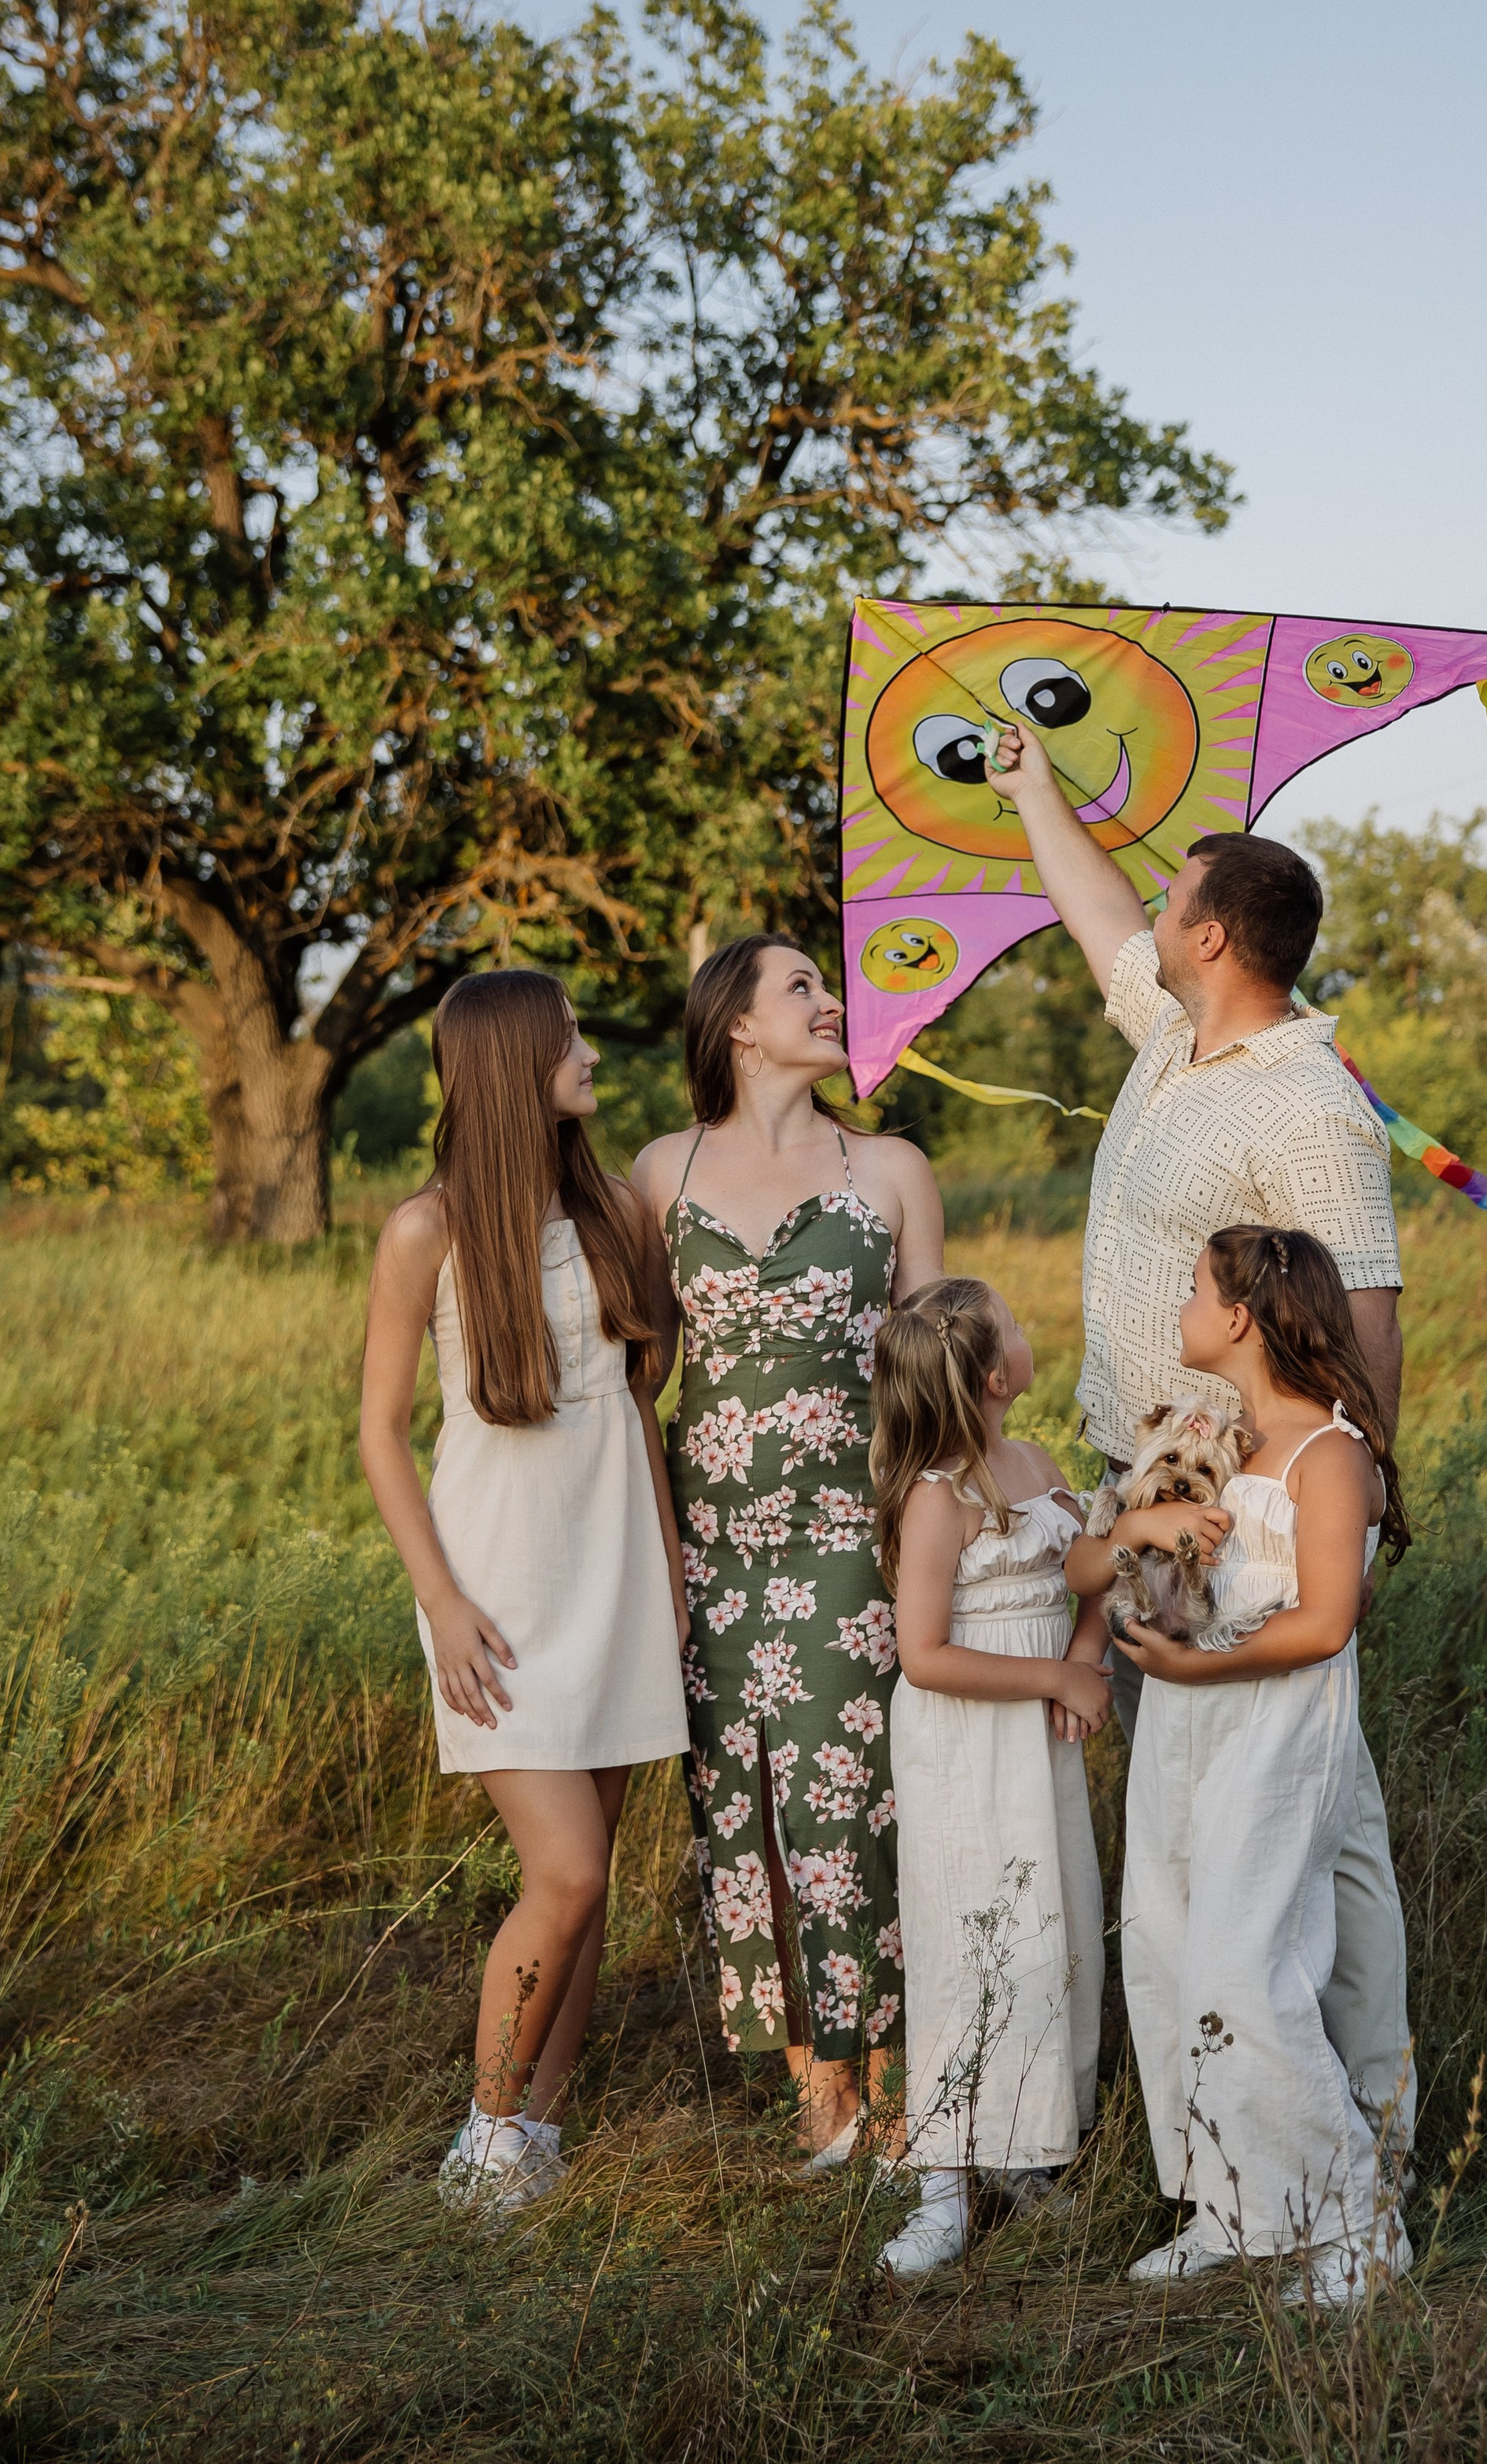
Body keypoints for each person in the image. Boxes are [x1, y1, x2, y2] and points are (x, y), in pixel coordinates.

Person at [988, 720, 1415, 2178]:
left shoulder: (1307, 1101)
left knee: (1310, 1824)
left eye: (1175, 898)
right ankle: (1228, 2136)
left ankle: (1365, 2131)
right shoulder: (1177, 1038)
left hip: (1256, 1511)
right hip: (1148, 1484)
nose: (1151, 915)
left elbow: (1365, 1311)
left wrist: (1345, 1513)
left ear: (1220, 934)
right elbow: (1099, 918)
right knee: (1208, 1824)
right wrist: (1032, 787)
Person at [359, 970, 689, 2208]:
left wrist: (665, 1566)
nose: (593, 1054)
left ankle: (538, 2134)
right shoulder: (425, 1231)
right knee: (569, 1875)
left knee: (592, 1876)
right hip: (497, 1582)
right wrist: (440, 1602)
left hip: (615, 1569)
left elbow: (639, 1415)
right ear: (511, 1065)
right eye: (570, 1042)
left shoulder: (614, 1209)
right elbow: (380, 1433)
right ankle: (484, 2135)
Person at [633, 937, 946, 2167]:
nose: (832, 1003)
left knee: (856, 1798)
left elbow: (943, 1364)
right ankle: (819, 2091)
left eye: (831, 985)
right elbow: (640, 1370)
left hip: (854, 1533)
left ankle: (903, 2084)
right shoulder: (663, 1170)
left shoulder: (892, 1167)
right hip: (710, 1542)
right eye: (802, 987)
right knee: (746, 1805)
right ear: (739, 1028)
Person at [1065, 1225, 1414, 2304]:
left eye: (1192, 1288)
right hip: (1184, 1736)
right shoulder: (1219, 1440)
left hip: (1270, 1736)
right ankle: (1233, 2206)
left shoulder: (1329, 1453)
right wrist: (1152, 1552)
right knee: (1170, 1958)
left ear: (1241, 1316)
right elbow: (1110, 1562)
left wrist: (1188, 1663)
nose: (1179, 1303)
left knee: (1244, 1969)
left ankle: (1354, 2223)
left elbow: (1323, 1624)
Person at [870, 1276, 1112, 2277]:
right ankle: (942, 2181)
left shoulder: (1036, 1462)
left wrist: (1087, 1654)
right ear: (988, 1373)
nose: (1028, 1331)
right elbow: (923, 1653)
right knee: (968, 1939)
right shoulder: (937, 1498)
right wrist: (1051, 1671)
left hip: (1038, 1748)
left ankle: (1025, 2150)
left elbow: (1092, 1573)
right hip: (965, 1748)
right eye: (1013, 1325)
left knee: (1048, 1934)